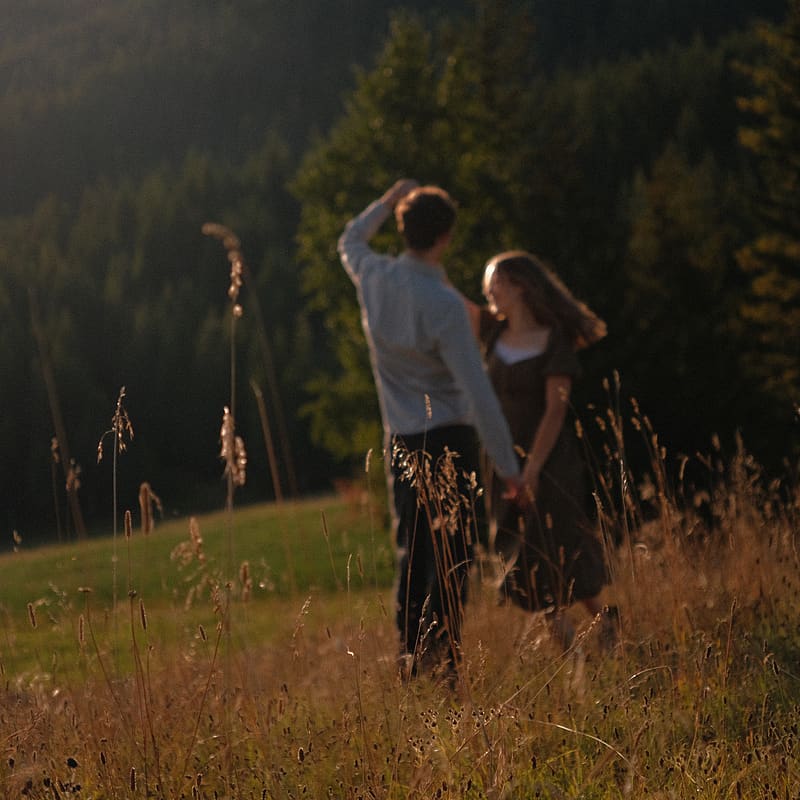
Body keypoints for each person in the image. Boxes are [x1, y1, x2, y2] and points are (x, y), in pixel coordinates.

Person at [338, 180, 522, 681]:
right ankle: (445, 667)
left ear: (402, 227)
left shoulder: (373, 277)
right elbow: (478, 391)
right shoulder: (442, 304)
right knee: (453, 557)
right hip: (450, 438)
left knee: (412, 550)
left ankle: (411, 660)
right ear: (446, 237)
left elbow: (349, 239)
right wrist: (510, 467)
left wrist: (387, 196)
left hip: (402, 440)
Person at [464, 250, 615, 649]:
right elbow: (440, 293)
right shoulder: (493, 333)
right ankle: (572, 653)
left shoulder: (554, 342)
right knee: (524, 558)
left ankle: (605, 623)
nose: (488, 292)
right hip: (502, 463)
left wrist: (530, 471)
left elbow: (555, 411)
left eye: (494, 283)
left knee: (562, 549)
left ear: (520, 285)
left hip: (549, 463)